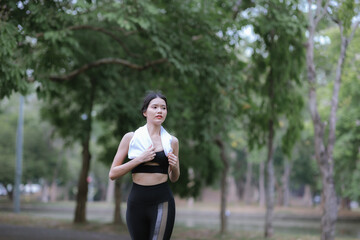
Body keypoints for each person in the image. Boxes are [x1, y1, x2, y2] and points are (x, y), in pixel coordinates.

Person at [109, 91, 180, 240]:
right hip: (137, 202)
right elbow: (113, 174)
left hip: (162, 201)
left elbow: (174, 178)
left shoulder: (171, 141)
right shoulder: (131, 138)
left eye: (163, 108)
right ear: (145, 112)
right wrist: (139, 159)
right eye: (154, 107)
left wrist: (174, 166)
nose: (159, 111)